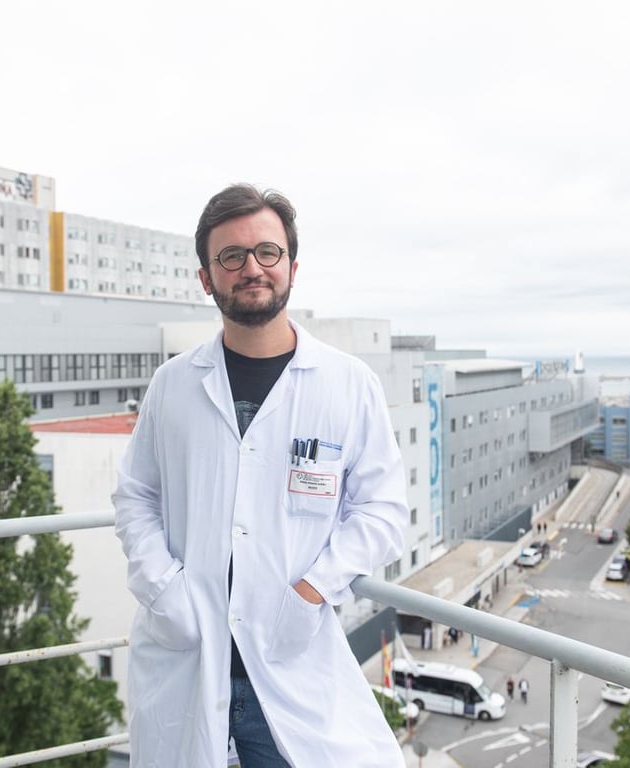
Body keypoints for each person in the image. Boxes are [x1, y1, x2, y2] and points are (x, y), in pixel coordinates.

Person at [113, 184, 408, 767]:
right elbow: (135, 495)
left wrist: (312, 589)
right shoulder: (172, 384)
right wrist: (162, 588)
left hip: (288, 661)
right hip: (189, 654)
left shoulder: (347, 384)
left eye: (267, 252)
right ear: (206, 278)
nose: (251, 268)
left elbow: (383, 511)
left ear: (292, 267)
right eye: (231, 256)